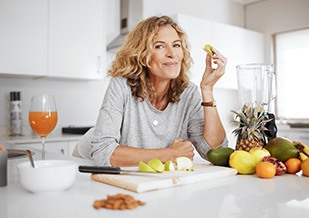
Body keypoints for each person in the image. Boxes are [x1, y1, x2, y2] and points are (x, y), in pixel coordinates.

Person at [76, 15, 228, 166]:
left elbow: (215, 152)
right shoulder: (121, 86)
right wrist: (170, 154)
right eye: (159, 46)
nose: (172, 53)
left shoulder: (189, 93)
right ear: (142, 56)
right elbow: (102, 152)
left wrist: (207, 90)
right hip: (86, 159)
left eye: (176, 45)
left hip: (138, 170)